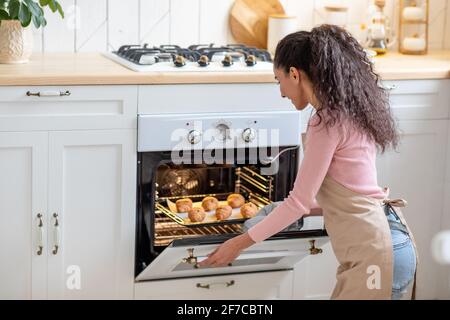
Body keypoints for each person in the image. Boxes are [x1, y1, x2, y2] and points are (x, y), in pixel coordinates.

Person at [198, 25, 418, 300]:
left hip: (374, 252)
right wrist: (286, 211)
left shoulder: (325, 122)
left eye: (278, 80)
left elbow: (298, 202)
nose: (280, 92)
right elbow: (349, 195)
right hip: (390, 241)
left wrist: (238, 244)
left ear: (294, 73)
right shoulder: (347, 112)